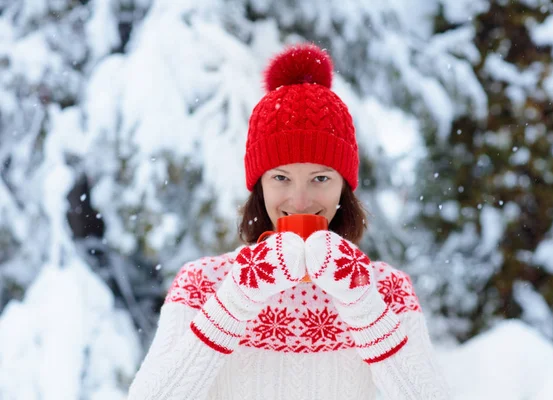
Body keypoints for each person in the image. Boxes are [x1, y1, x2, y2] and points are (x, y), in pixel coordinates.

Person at [128, 43, 450, 400]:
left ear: (344, 187)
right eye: (281, 178)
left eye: (320, 178)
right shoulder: (205, 284)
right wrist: (237, 298)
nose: (300, 201)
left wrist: (363, 304)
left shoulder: (384, 290)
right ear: (259, 186)